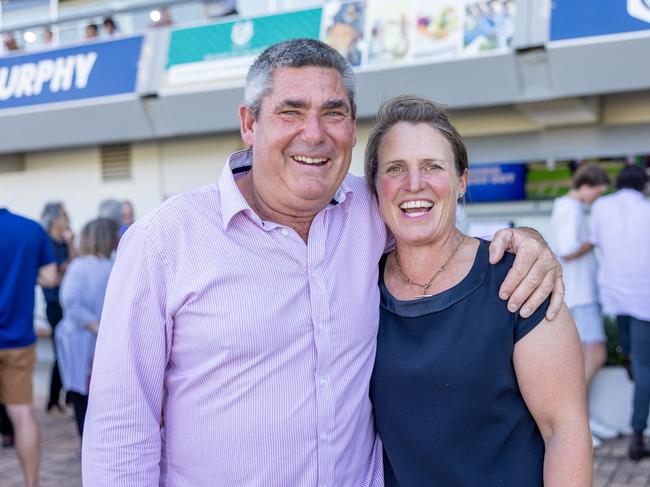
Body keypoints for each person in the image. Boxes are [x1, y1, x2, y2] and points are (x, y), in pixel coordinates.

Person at [82, 39, 564, 486]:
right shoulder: (165, 239)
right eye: (291, 111)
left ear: (352, 128)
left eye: (333, 113)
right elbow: (121, 424)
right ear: (250, 123)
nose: (313, 134)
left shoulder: (372, 211)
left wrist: (528, 240)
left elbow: (437, 228)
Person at [367, 95, 591, 486]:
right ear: (376, 185)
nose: (413, 184)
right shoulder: (357, 287)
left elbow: (565, 431)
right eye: (395, 168)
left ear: (462, 180)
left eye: (433, 166)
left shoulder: (517, 280)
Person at [550, 164, 615, 447]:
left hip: (582, 294)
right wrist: (596, 240)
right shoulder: (569, 208)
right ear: (588, 185)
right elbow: (567, 249)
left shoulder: (571, 207)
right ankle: (577, 418)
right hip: (580, 295)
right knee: (596, 354)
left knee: (586, 357)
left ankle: (582, 417)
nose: (598, 198)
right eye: (598, 192)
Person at [590, 164, 650, 461]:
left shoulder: (602, 206)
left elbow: (596, 240)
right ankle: (638, 436)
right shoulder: (647, 210)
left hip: (615, 293)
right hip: (644, 298)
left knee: (633, 357)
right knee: (644, 368)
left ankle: (630, 362)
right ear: (643, 184)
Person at [0, 207, 58, 487]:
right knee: (22, 413)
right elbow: (50, 277)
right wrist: (23, 273)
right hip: (18, 339)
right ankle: (31, 483)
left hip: (17, 338)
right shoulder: (30, 229)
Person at [56, 218, 118, 438]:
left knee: (91, 393)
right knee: (85, 392)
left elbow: (71, 301)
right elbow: (71, 302)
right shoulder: (84, 266)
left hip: (94, 338)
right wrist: (98, 325)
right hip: (84, 339)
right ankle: (88, 442)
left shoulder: (111, 264)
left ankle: (92, 442)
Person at [40, 202, 77, 414]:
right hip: (55, 305)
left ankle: (68, 397)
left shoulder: (64, 243)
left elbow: (75, 267)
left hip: (67, 303)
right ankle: (53, 400)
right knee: (60, 352)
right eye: (65, 215)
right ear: (55, 219)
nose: (68, 219)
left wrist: (71, 247)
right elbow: (51, 278)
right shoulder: (47, 244)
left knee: (68, 351)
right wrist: (64, 270)